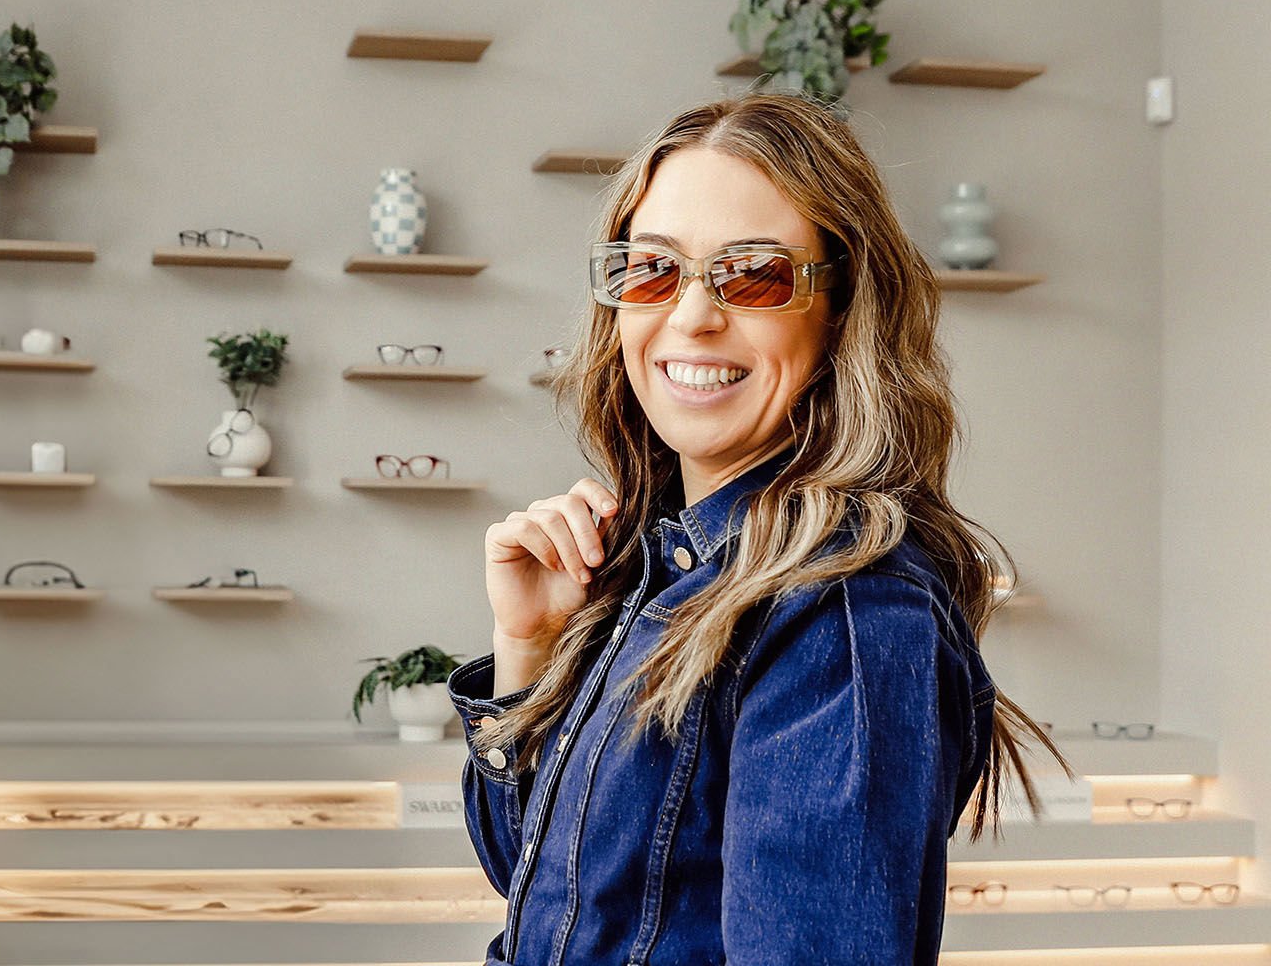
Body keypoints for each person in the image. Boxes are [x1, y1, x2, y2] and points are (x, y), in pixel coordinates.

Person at [448, 91, 1070, 965]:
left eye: (755, 276)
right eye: (654, 270)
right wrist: (530, 648)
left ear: (843, 310)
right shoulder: (662, 567)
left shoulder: (842, 610)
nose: (694, 315)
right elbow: (546, 891)